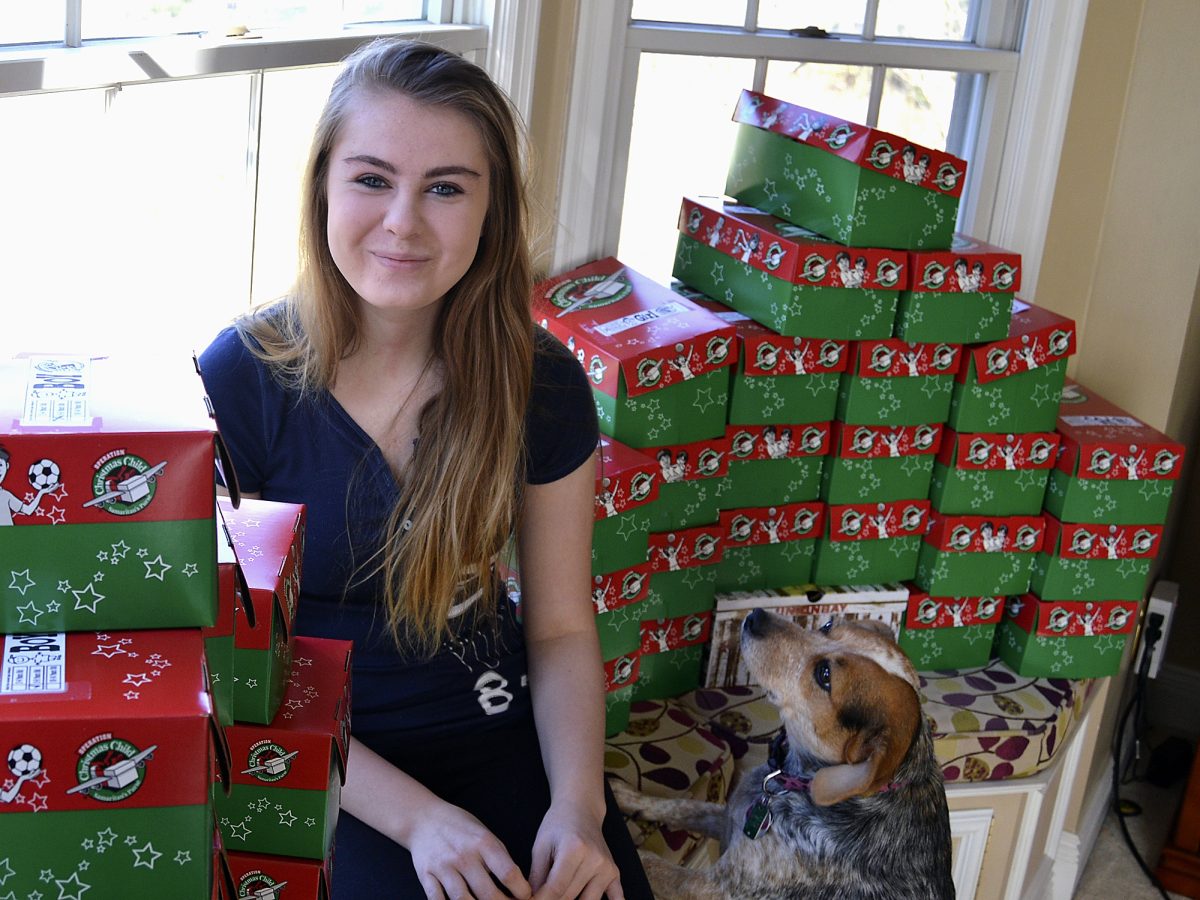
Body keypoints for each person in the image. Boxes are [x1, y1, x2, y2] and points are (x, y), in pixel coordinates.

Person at [198, 37, 652, 900]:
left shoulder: (542, 382)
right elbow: (226, 660)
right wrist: (418, 820)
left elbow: (559, 628)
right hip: (317, 748)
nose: (403, 221)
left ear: (491, 211)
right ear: (322, 188)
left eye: (446, 188)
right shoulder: (241, 378)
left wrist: (579, 810)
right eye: (372, 179)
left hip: (491, 723)